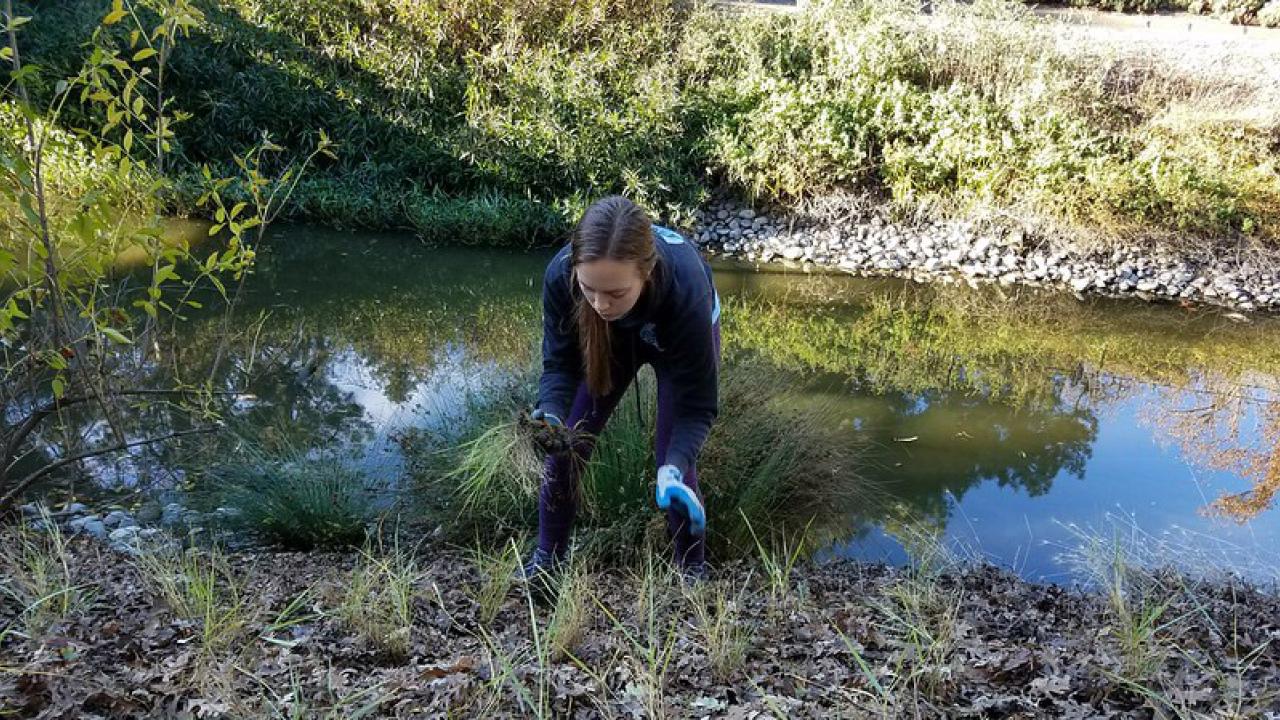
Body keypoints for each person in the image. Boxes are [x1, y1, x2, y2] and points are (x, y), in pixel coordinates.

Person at [520, 195, 721, 581]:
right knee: (567, 445)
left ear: (646, 274)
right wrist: (550, 413)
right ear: (575, 270)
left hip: (673, 333)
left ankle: (692, 570)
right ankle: (547, 561)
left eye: (615, 293)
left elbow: (698, 407)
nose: (600, 305)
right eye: (589, 289)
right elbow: (559, 366)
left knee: (673, 463)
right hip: (609, 344)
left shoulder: (687, 289)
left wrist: (674, 469)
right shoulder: (561, 275)